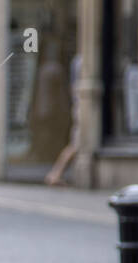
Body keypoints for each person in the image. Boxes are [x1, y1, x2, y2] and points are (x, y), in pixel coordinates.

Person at [46, 54, 82, 186]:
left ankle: (56, 174)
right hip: (81, 106)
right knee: (76, 144)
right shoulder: (82, 61)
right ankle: (55, 174)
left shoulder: (77, 61)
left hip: (78, 105)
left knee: (76, 143)